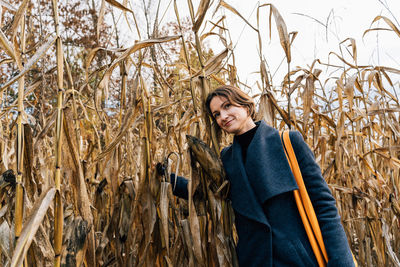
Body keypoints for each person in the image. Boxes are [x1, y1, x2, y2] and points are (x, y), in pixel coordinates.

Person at [171, 85, 355, 266]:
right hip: (254, 259)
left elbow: (323, 205)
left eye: (227, 106)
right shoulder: (226, 158)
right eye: (216, 114)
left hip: (297, 259)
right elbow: (206, 192)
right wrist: (167, 179)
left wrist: (341, 262)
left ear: (246, 106)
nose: (223, 117)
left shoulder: (288, 142)